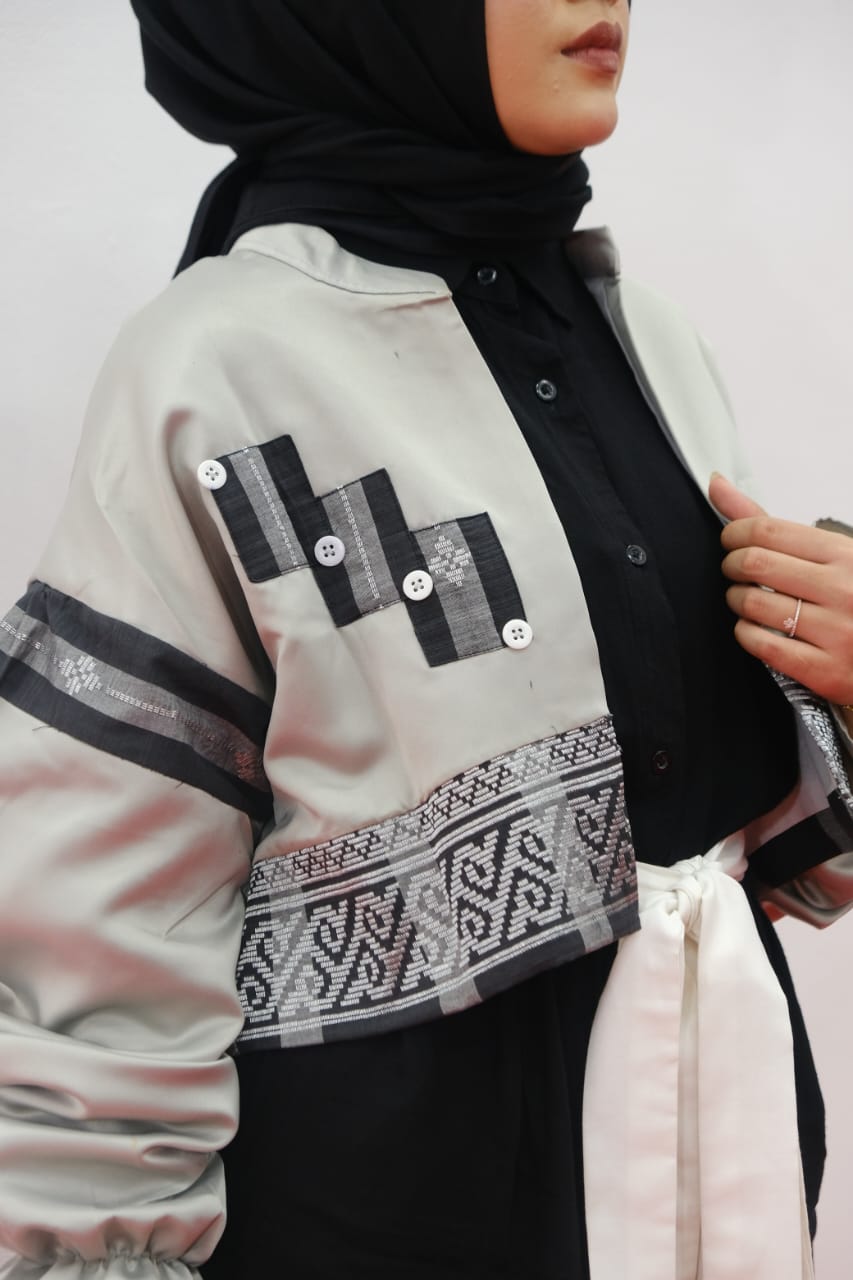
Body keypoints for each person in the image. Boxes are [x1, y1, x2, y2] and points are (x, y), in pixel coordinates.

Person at [0, 2, 852, 1277]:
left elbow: (725, 833)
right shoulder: (218, 362)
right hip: (383, 1213)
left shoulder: (643, 331)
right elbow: (94, 918)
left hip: (707, 1169)